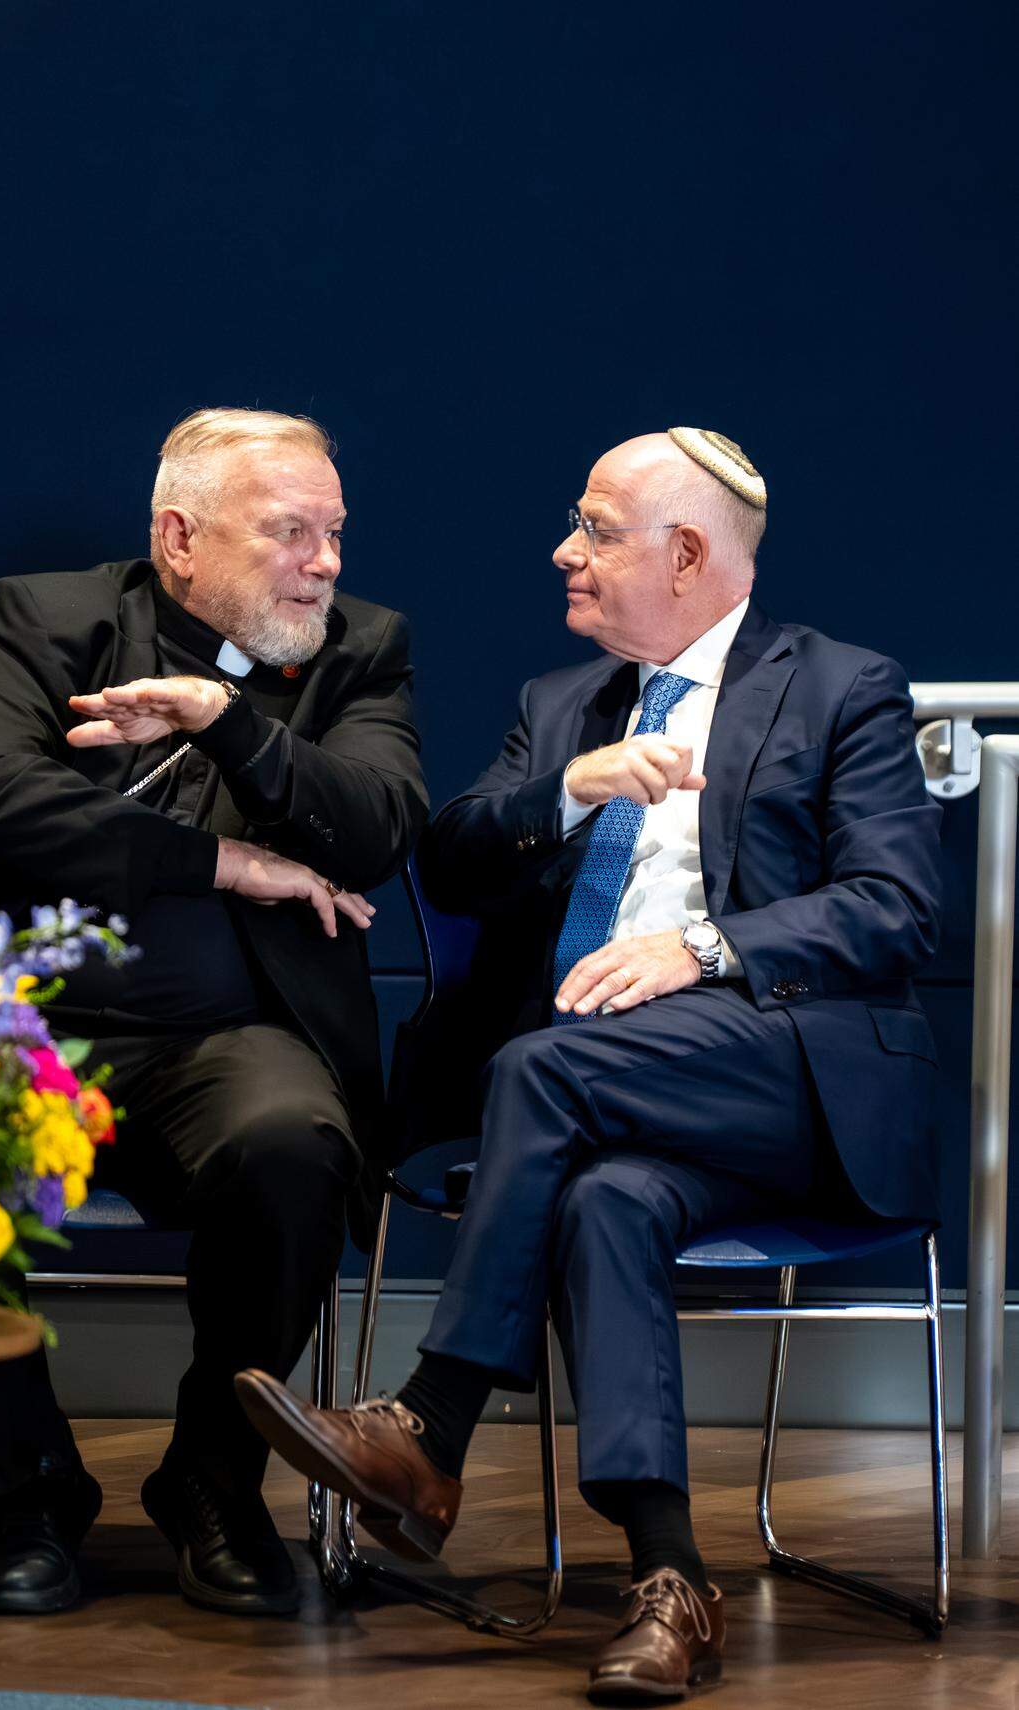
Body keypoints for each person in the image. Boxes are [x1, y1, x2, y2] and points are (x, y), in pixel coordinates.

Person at [233, 427, 943, 1701]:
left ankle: (429, 1424)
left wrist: (704, 945)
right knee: (605, 1199)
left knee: (545, 1071)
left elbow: (895, 907)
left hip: (787, 1077)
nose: (565, 548)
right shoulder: (564, 707)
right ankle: (671, 1585)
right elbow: (445, 860)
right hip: (614, 1105)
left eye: (598, 528)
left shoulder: (842, 687)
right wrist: (570, 790)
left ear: (685, 552)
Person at [0, 407, 427, 1617]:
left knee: (298, 1147)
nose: (327, 562)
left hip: (236, 1037)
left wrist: (231, 724)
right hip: (36, 1032)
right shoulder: (48, 619)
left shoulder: (358, 648)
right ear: (180, 537)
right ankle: (31, 1488)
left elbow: (374, 825)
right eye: (292, 533)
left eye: (336, 532)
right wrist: (225, 864)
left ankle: (212, 1479)